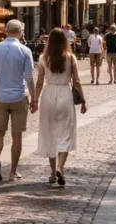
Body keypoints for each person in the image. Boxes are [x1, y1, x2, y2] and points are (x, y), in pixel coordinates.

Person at [34, 29, 87, 187]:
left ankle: (52, 173)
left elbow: (38, 82)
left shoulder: (44, 58)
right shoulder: (70, 58)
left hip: (48, 94)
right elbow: (76, 81)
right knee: (65, 133)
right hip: (65, 94)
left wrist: (34, 100)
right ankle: (60, 168)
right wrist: (83, 100)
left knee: (50, 133)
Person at [0, 19, 36, 183]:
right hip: (19, 96)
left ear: (6, 32)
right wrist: (34, 98)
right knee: (17, 136)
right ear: (21, 32)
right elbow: (29, 77)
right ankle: (13, 171)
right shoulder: (25, 50)